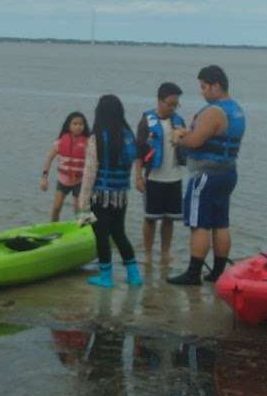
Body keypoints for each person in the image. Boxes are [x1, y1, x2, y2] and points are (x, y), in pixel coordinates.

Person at [167, 64, 245, 287]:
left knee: (199, 224)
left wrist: (178, 137)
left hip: (206, 175)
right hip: (228, 172)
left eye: (203, 87)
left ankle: (193, 274)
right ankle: (218, 271)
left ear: (216, 86)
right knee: (221, 223)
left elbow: (194, 142)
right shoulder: (237, 109)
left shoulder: (213, 112)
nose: (202, 92)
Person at [77, 94, 142, 289]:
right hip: (121, 196)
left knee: (102, 236)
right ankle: (134, 275)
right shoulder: (128, 136)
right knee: (119, 233)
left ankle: (105, 277)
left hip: (100, 197)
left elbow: (90, 172)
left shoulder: (97, 138)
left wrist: (83, 201)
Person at [134, 81, 186, 260]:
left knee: (169, 219)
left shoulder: (179, 122)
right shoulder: (147, 121)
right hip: (153, 177)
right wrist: (138, 177)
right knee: (150, 218)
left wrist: (184, 137)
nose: (172, 107)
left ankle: (165, 252)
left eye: (175, 104)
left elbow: (187, 145)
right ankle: (148, 253)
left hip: (174, 177)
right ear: (159, 101)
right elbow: (139, 150)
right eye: (169, 103)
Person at [39, 111, 89, 221]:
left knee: (80, 209)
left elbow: (94, 164)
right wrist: (44, 178)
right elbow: (49, 159)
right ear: (68, 125)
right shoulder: (60, 142)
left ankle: (87, 230)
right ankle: (53, 228)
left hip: (80, 181)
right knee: (56, 208)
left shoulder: (88, 143)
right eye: (74, 124)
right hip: (63, 181)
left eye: (81, 124)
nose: (78, 126)